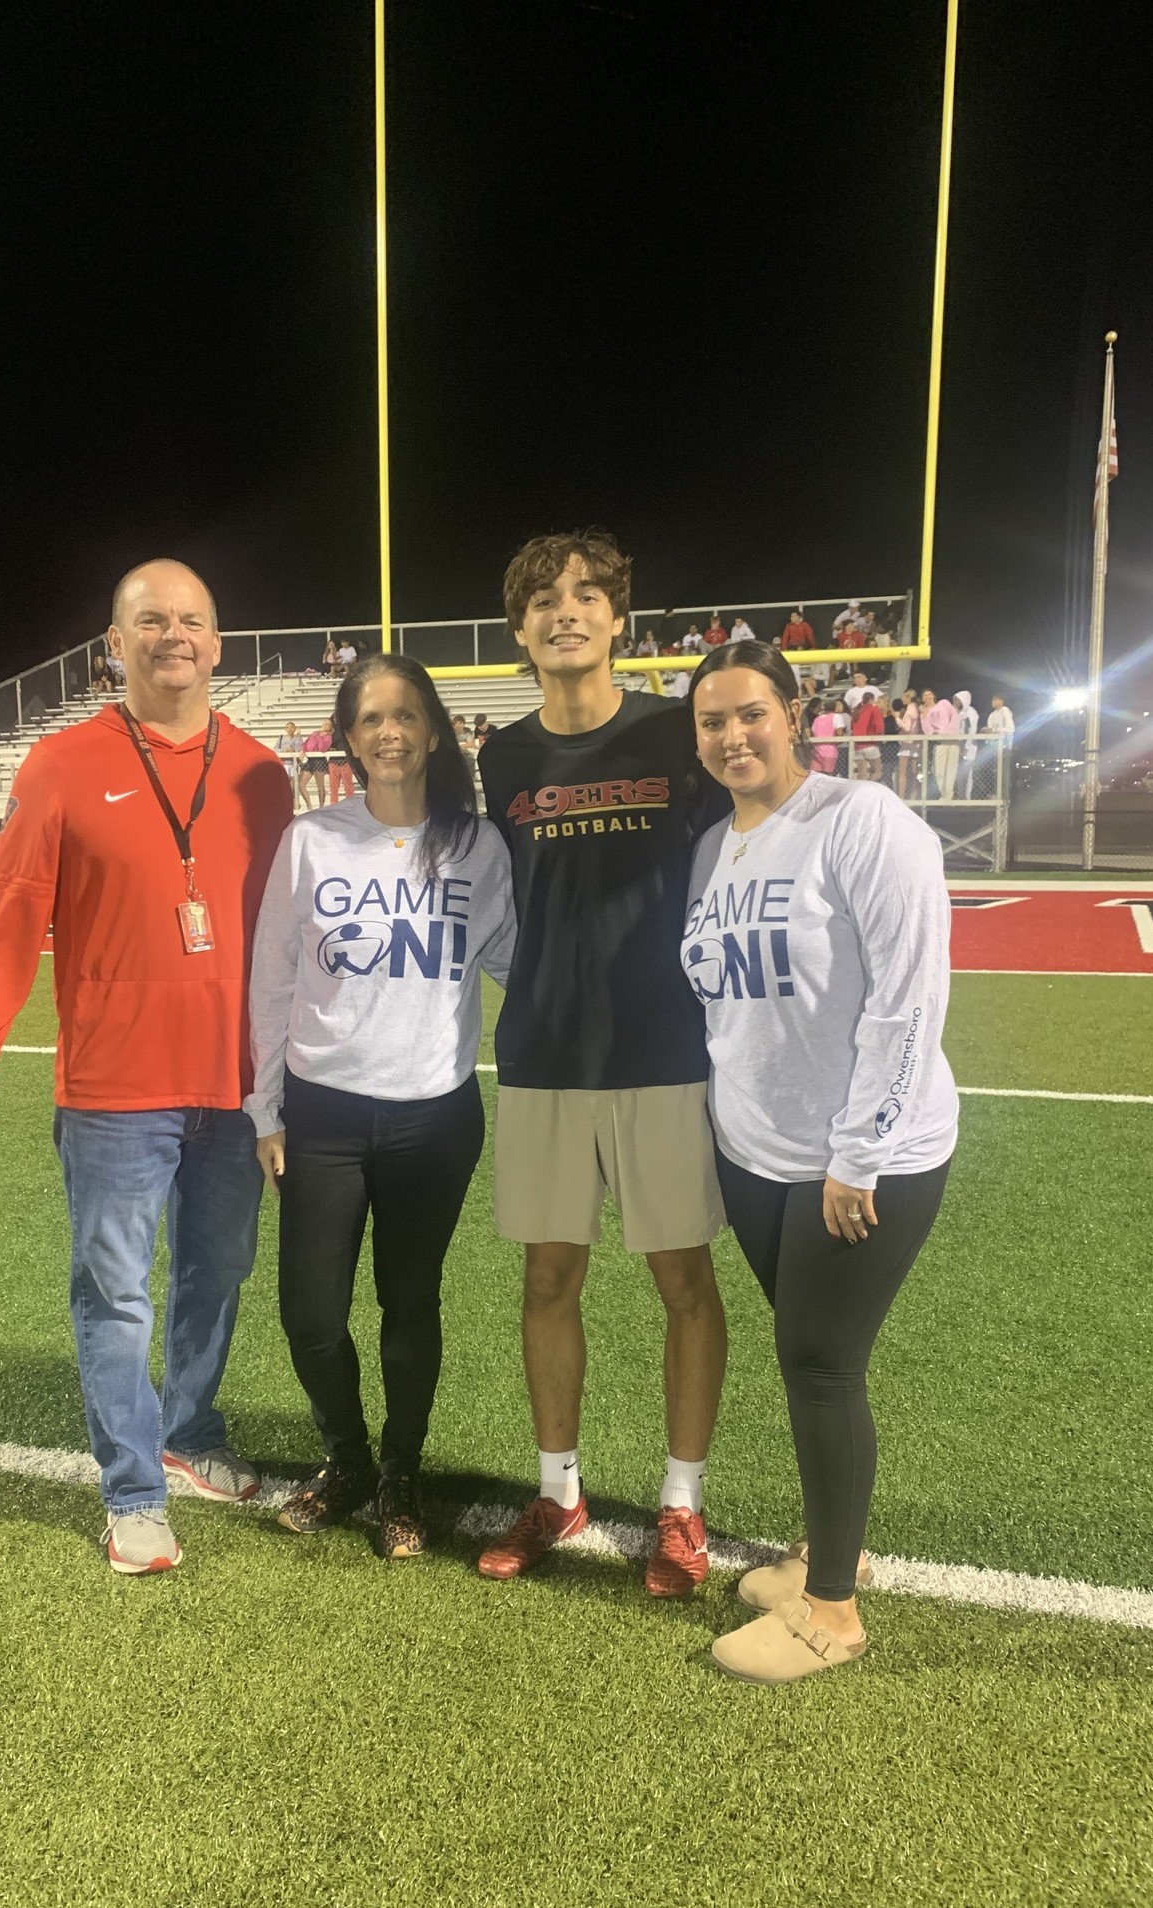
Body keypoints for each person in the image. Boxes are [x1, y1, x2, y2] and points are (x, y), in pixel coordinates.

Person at [0, 560, 293, 1575]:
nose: (172, 634)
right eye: (151, 620)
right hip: (112, 1095)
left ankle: (190, 1433)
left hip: (235, 1089)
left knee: (216, 1276)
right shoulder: (59, 764)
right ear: (115, 645)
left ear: (217, 645)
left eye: (190, 620)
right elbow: (10, 918)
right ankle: (134, 1493)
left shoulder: (264, 773)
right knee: (117, 1295)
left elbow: (287, 939)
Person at [683, 640, 957, 1683]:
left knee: (821, 1364)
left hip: (860, 1160)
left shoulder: (862, 822)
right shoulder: (716, 848)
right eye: (712, 722)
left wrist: (861, 1153)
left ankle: (833, 1610)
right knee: (808, 1361)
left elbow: (908, 999)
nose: (732, 736)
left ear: (793, 713)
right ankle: (833, 1552)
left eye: (751, 713)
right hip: (760, 1158)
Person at [475, 531, 730, 1598]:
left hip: (661, 1051)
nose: (563, 609)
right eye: (542, 596)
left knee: (681, 1280)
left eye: (586, 594)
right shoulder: (505, 757)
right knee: (547, 1276)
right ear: (520, 626)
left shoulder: (677, 734)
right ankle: (560, 1490)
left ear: (620, 617)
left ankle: (681, 1506)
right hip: (539, 1054)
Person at [247, 655, 516, 1558]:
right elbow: (274, 977)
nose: (389, 732)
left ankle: (401, 1472)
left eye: (404, 715)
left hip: (431, 1119)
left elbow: (515, 960)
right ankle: (348, 1459)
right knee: (310, 1316)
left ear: (434, 729)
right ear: (349, 739)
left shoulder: (477, 845)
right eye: (369, 719)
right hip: (321, 1115)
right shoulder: (313, 839)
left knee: (410, 1309)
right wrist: (267, 1109)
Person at [919, 689, 959, 800]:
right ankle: (944, 794)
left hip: (952, 740)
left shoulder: (944, 704)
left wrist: (947, 731)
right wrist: (924, 716)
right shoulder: (924, 712)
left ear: (934, 696)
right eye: (925, 695)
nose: (927, 696)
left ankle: (948, 795)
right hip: (940, 742)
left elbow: (954, 719)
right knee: (939, 771)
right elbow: (927, 731)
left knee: (951, 769)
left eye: (929, 694)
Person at [850, 689, 885, 780]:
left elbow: (852, 727)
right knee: (877, 770)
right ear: (871, 700)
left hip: (857, 746)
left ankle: (861, 790)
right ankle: (870, 789)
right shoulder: (873, 709)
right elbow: (879, 726)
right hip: (870, 744)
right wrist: (880, 736)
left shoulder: (857, 711)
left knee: (862, 773)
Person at [954, 691, 980, 798]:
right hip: (959, 745)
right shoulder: (958, 713)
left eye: (957, 700)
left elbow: (971, 730)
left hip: (969, 746)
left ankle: (967, 796)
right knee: (959, 773)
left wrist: (966, 746)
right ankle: (960, 795)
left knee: (968, 773)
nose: (954, 702)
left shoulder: (971, 713)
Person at [301, 722, 332, 808]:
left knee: (320, 786)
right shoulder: (315, 733)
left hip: (319, 760)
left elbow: (322, 748)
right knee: (301, 784)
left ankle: (321, 806)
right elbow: (306, 744)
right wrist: (303, 750)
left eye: (328, 724)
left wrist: (321, 736)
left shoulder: (329, 737)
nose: (325, 725)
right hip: (310, 759)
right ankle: (309, 805)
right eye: (324, 723)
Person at [808, 698, 838, 776]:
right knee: (829, 775)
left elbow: (813, 732)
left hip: (817, 751)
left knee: (816, 775)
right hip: (830, 752)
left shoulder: (817, 719)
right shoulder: (836, 717)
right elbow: (839, 732)